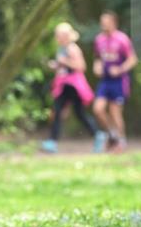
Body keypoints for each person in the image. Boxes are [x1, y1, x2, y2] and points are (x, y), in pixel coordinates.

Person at [41, 22, 100, 153]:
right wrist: (56, 65)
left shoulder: (72, 48)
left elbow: (81, 66)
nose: (57, 37)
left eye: (59, 35)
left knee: (76, 113)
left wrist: (64, 61)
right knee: (61, 112)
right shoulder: (61, 48)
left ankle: (97, 135)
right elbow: (63, 66)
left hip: (73, 85)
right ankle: (52, 141)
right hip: (64, 85)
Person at [92, 11, 137, 152]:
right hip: (105, 80)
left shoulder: (122, 39)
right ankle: (112, 134)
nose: (103, 25)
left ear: (114, 23)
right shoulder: (99, 39)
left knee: (115, 112)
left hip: (119, 81)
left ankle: (121, 142)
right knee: (98, 109)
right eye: (102, 22)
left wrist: (120, 69)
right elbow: (98, 58)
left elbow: (132, 59)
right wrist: (97, 67)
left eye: (106, 22)